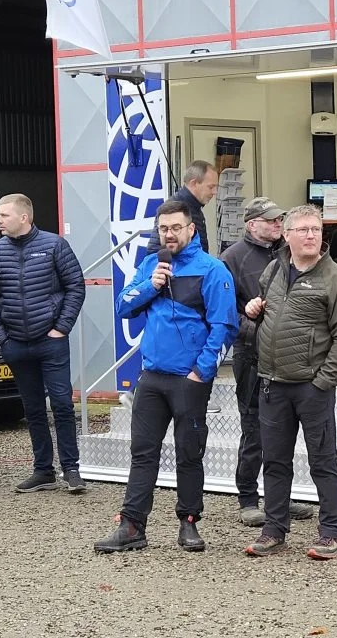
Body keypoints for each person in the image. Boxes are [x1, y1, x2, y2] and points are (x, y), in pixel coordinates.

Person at [94, 200, 239, 553]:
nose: (169, 234)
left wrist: (200, 373)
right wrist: (152, 285)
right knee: (142, 452)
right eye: (163, 229)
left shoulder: (212, 270)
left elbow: (225, 327)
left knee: (190, 453)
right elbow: (124, 306)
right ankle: (132, 526)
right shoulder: (150, 264)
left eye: (176, 228)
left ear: (192, 230)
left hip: (188, 380)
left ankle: (188, 522)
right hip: (152, 378)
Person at [241, 204, 337, 560]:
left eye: (316, 229)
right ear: (287, 235)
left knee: (323, 460)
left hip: (312, 387)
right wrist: (252, 312)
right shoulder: (274, 271)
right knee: (275, 460)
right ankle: (274, 529)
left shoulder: (335, 279)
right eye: (303, 229)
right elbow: (264, 314)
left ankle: (331, 532)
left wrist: (324, 381)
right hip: (272, 384)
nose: (311, 235)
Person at [0, 193, 87, 493]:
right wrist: (2, 337)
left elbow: (75, 286)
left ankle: (71, 469)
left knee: (63, 405)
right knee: (33, 409)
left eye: (4, 215)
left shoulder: (54, 246)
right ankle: (43, 471)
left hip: (50, 341)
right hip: (16, 343)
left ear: (24, 217)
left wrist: (61, 327)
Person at [219, 197, 314, 527]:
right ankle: (247, 499)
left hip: (287, 353)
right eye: (271, 221)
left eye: (280, 221)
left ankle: (279, 501)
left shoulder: (287, 254)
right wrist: (254, 329)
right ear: (252, 224)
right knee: (254, 428)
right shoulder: (232, 259)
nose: (277, 225)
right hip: (251, 354)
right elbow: (223, 310)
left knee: (283, 431)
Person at [146, 161, 218, 255]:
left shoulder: (195, 208)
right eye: (211, 187)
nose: (214, 192)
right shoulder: (173, 210)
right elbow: (154, 251)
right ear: (194, 183)